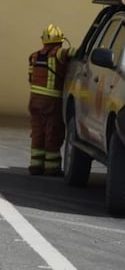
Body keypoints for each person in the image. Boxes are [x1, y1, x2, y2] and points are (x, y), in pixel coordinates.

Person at [27, 24, 76, 176]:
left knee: (37, 132)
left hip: (34, 100)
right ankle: (51, 168)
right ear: (60, 40)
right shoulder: (58, 53)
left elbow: (30, 78)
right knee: (52, 132)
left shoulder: (34, 56)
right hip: (52, 102)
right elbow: (74, 52)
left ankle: (35, 165)